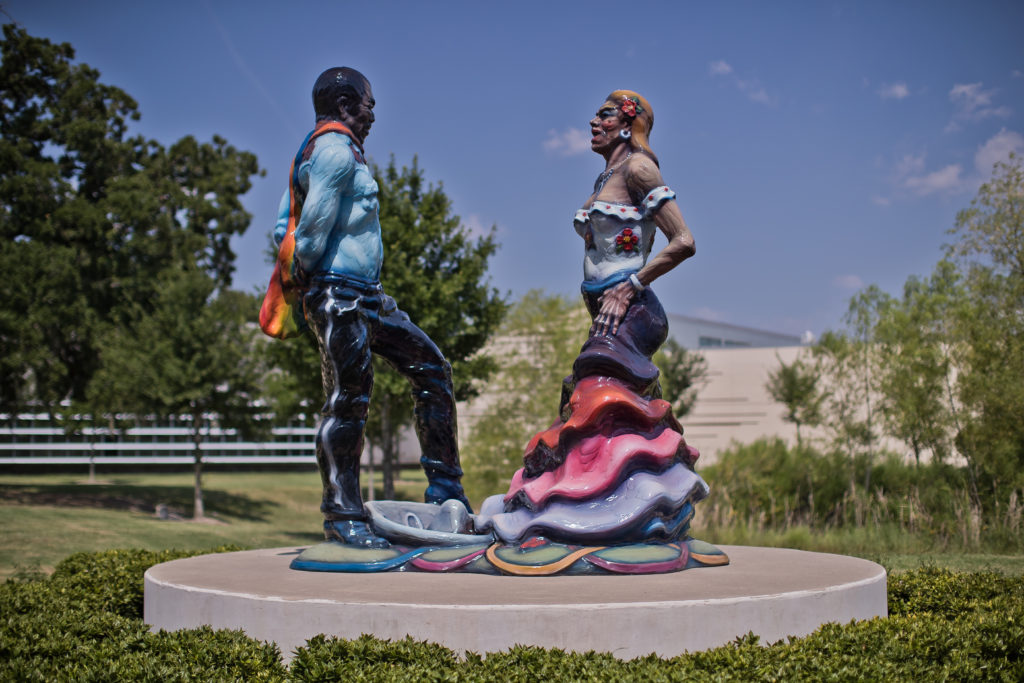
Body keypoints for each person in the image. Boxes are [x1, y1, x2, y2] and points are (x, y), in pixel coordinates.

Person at [269, 67, 469, 548]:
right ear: (344, 106)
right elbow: (308, 233)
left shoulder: (327, 152)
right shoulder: (334, 154)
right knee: (348, 400)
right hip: (341, 295)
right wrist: (316, 288)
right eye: (368, 104)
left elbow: (282, 222)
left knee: (433, 370)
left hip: (370, 297)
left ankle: (448, 495)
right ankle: (342, 515)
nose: (373, 113)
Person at [568, 90, 696, 399]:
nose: (593, 122)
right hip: (603, 309)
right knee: (583, 394)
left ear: (627, 126)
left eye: (604, 115)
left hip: (633, 309)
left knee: (596, 392)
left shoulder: (639, 169)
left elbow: (684, 241)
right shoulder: (603, 179)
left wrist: (630, 287)